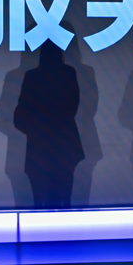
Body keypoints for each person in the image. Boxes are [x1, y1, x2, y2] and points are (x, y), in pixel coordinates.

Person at [12, 42, 83, 208]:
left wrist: (34, 131)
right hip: (64, 143)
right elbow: (72, 107)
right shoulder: (69, 73)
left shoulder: (32, 76)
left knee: (40, 199)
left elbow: (21, 113)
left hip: (39, 144)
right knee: (64, 197)